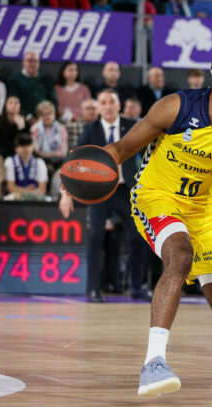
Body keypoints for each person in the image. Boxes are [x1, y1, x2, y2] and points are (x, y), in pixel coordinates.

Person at [102, 47, 212, 394]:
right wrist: (85, 169)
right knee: (179, 255)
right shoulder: (175, 107)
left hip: (202, 211)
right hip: (155, 196)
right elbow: (121, 149)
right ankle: (153, 363)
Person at [59, 89, 150, 303]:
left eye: (111, 102)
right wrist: (66, 193)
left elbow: (150, 152)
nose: (107, 106)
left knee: (139, 236)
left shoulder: (132, 126)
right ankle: (93, 289)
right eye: (103, 102)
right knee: (95, 236)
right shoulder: (90, 129)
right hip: (99, 191)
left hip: (126, 190)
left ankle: (137, 287)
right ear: (98, 107)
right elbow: (73, 159)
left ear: (118, 105)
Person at [7, 51, 56, 123]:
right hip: (23, 119)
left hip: (45, 118)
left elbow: (53, 101)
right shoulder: (14, 80)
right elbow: (13, 103)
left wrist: (48, 116)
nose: (33, 64)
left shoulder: (46, 79)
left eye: (35, 61)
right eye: (29, 61)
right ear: (23, 62)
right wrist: (28, 117)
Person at [4, 133, 49, 201]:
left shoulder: (40, 163)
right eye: (22, 146)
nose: (26, 149)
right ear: (16, 148)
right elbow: (10, 188)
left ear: (33, 147)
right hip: (14, 201)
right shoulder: (9, 161)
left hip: (34, 201)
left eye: (28, 145)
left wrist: (25, 193)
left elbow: (42, 190)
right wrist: (28, 191)